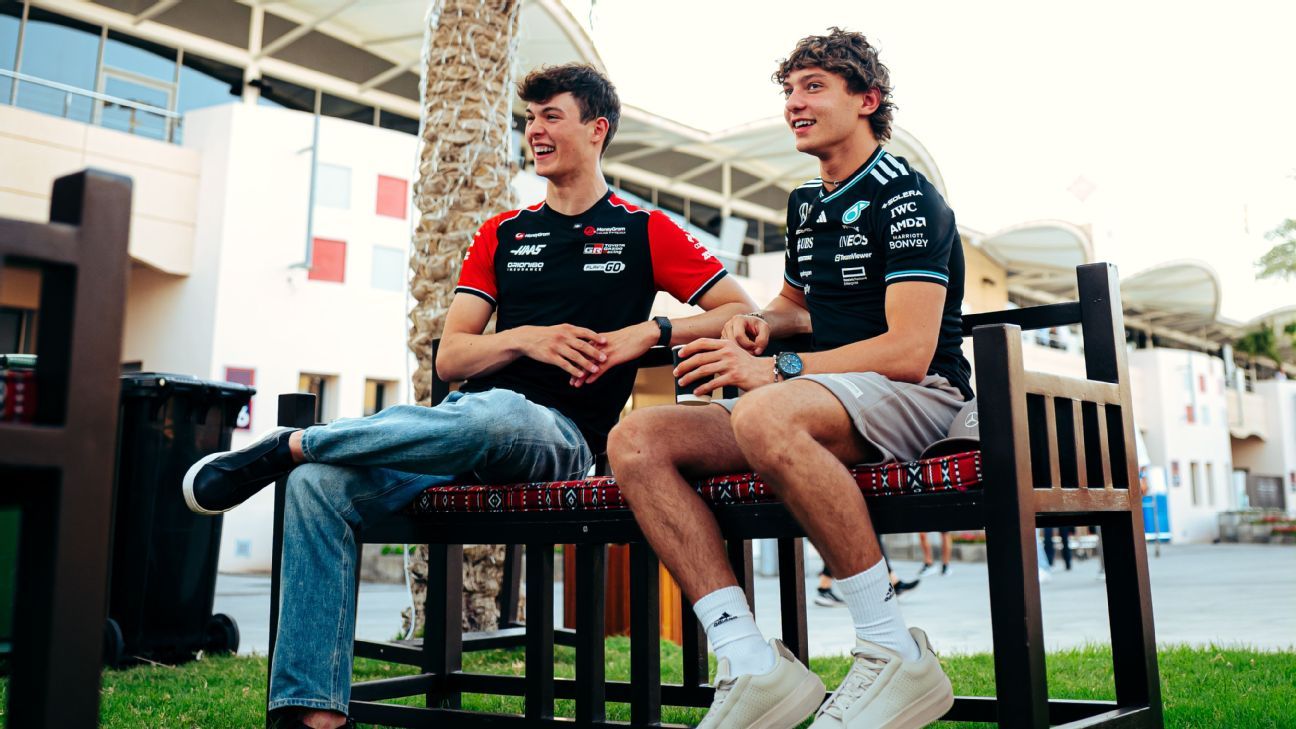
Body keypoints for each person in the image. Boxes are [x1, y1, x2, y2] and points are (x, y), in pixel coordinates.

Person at [180, 64, 756, 729]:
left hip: (560, 440)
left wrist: (649, 332)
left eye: (551, 116)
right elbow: (452, 357)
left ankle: (294, 443)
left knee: (497, 413)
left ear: (598, 129)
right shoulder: (503, 232)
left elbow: (741, 309)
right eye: (530, 118)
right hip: (459, 431)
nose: (535, 131)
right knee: (317, 487)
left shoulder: (644, 229)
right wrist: (527, 339)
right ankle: (314, 716)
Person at [607, 28, 973, 729]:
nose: (794, 103)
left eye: (813, 87)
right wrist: (761, 326)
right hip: (821, 398)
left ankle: (894, 651)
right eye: (788, 90)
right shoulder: (806, 203)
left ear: (867, 100)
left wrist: (777, 367)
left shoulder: (909, 197)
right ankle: (751, 661)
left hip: (920, 396)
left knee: (764, 410)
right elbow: (794, 305)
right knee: (636, 440)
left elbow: (909, 351)